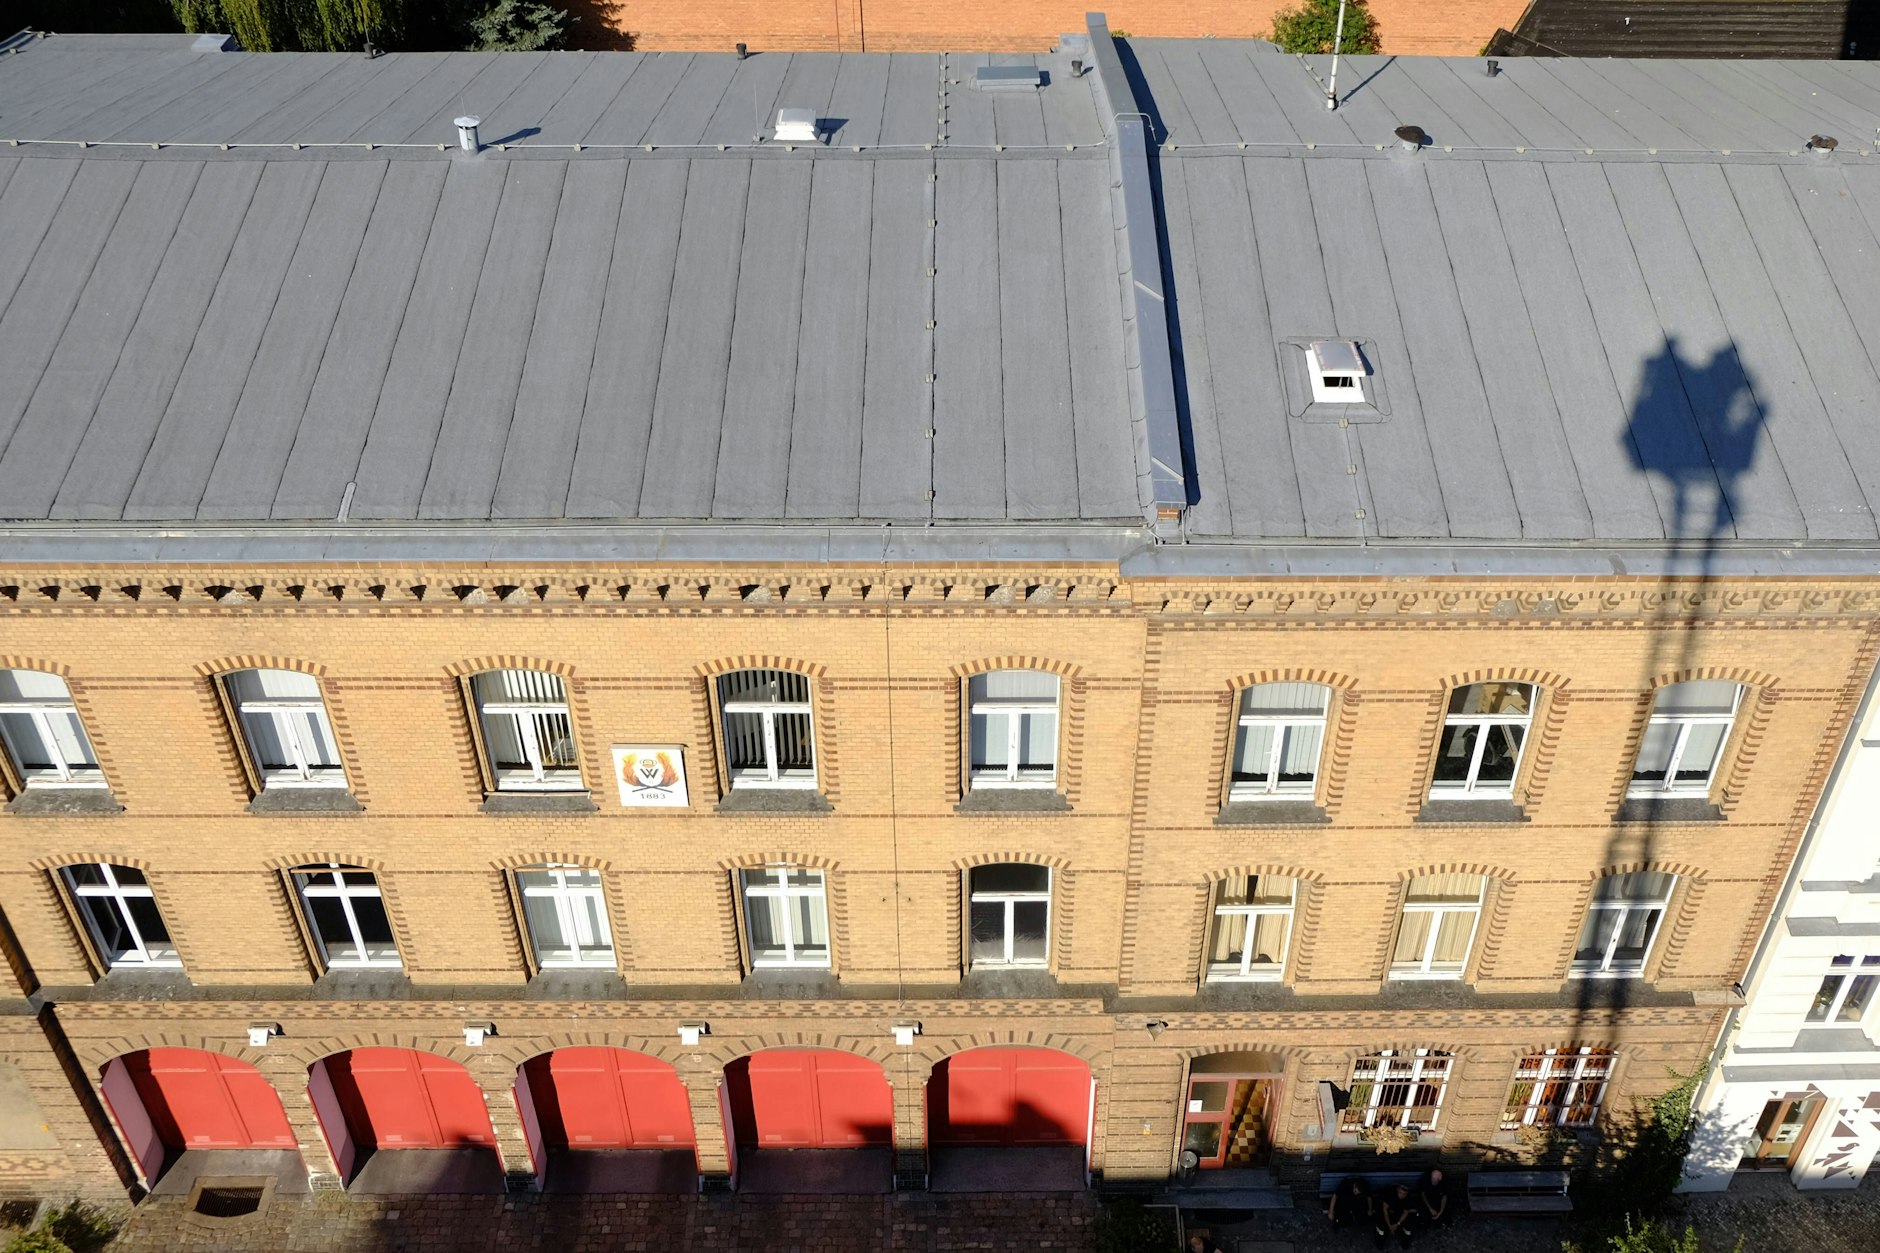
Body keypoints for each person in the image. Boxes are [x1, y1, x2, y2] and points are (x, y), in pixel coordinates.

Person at [1377, 1183, 1417, 1249]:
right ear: (1397, 1190)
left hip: (1399, 1213)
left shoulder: (1408, 1198)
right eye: (1400, 1193)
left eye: (1404, 1194)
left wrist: (1397, 1224)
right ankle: (1379, 1243)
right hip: (1388, 1212)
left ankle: (1405, 1244)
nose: (1402, 1195)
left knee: (1408, 1228)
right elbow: (1385, 1211)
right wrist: (1389, 1225)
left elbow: (1405, 1212)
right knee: (1380, 1228)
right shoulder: (1390, 1194)